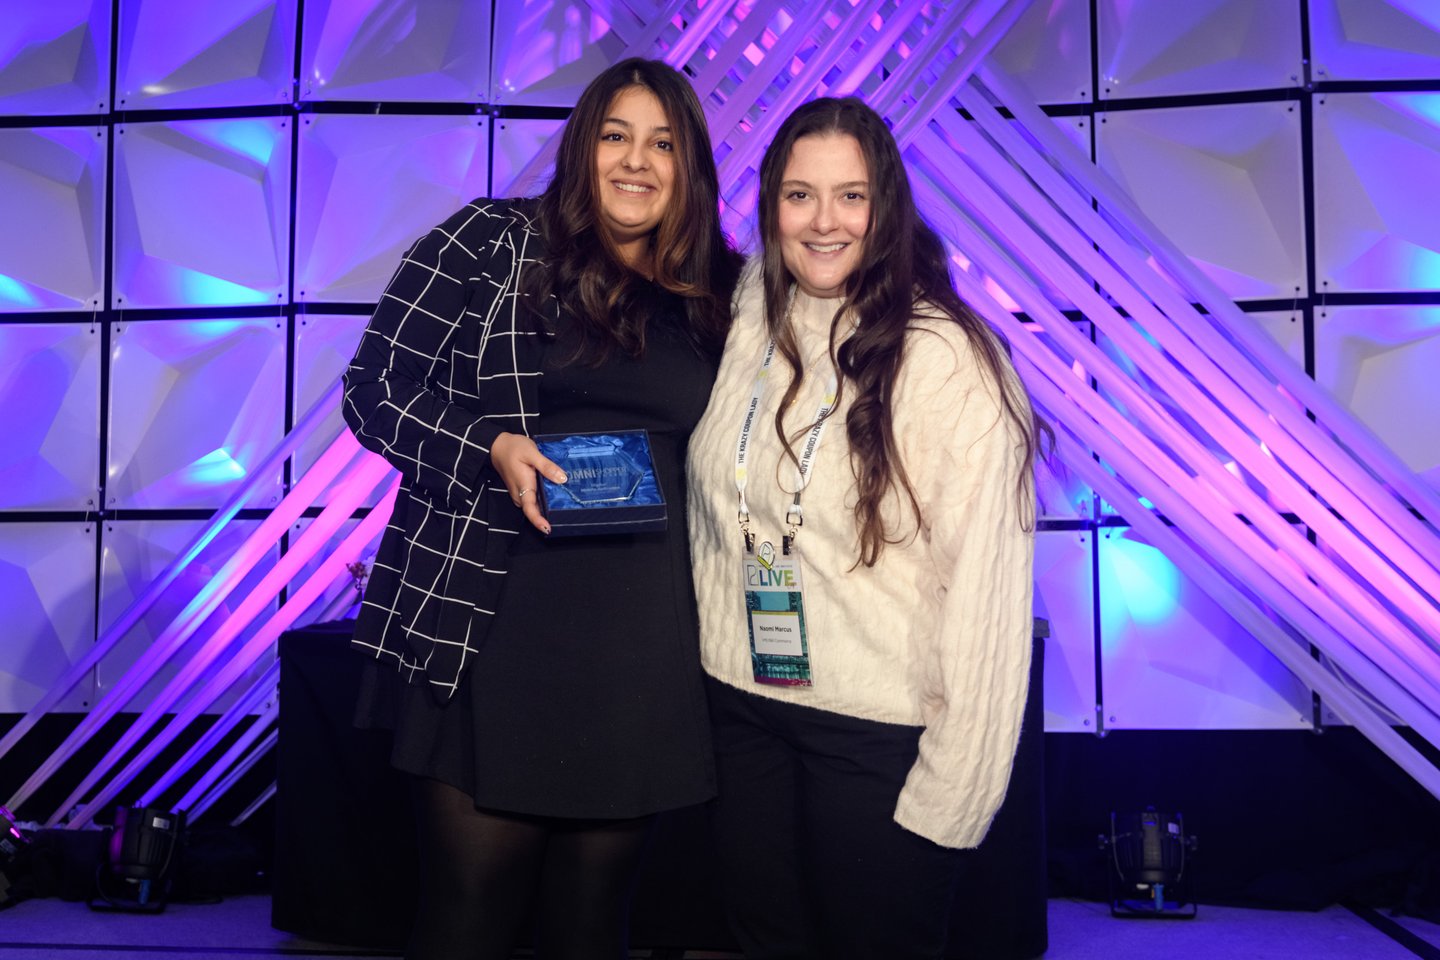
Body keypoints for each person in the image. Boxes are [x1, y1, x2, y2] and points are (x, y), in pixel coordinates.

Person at [342, 58, 742, 960]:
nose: (636, 161)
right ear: (581, 147)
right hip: (490, 622)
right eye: (615, 135)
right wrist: (485, 447)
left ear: (690, 168)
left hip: (643, 646)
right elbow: (372, 389)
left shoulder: (723, 294)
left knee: (594, 926)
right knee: (469, 916)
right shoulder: (488, 242)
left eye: (663, 143)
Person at [687, 97, 1047, 959]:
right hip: (741, 713)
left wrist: (955, 792)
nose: (823, 222)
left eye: (850, 196)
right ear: (770, 204)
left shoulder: (948, 359)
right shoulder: (746, 314)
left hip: (877, 738)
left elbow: (989, 596)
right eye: (798, 195)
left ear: (887, 208)